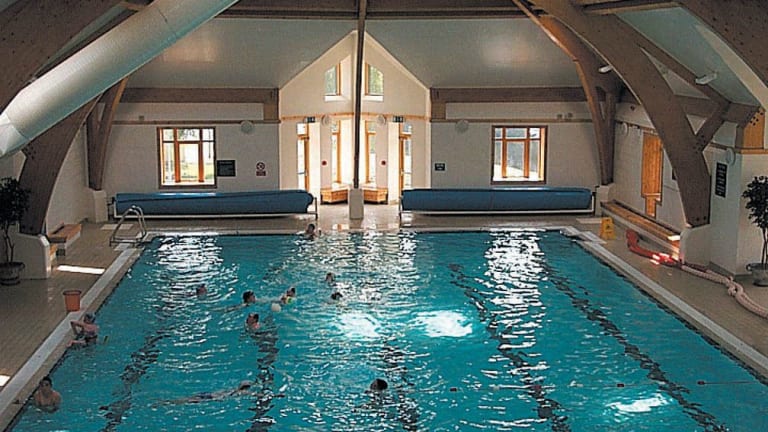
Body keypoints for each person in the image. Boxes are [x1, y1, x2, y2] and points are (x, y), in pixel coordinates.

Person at [156, 380, 258, 405]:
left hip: (208, 393)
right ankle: (166, 402)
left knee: (187, 399)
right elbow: (256, 395)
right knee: (187, 401)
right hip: (210, 398)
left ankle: (166, 401)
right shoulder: (241, 392)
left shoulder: (231, 389)